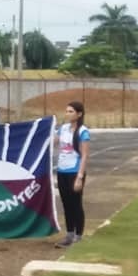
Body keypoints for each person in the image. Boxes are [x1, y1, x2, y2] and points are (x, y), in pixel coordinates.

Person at [55, 101, 90, 248]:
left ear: (79, 114)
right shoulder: (63, 129)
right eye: (66, 111)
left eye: (71, 111)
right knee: (66, 204)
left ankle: (78, 235)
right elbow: (53, 142)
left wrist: (79, 177)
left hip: (74, 172)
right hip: (62, 171)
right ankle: (69, 234)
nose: (67, 114)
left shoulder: (83, 131)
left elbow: (84, 155)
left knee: (76, 204)